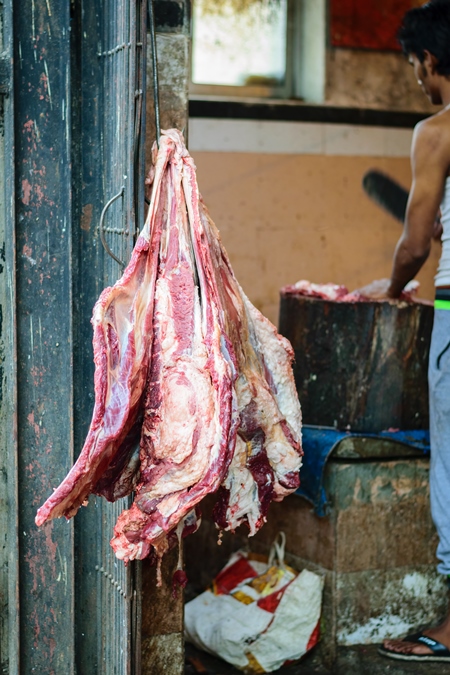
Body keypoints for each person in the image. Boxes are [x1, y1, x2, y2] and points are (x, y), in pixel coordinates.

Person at [360, 0, 450, 662]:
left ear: (430, 60)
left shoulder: (437, 130)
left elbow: (415, 243)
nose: (417, 77)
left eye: (415, 64)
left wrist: (391, 289)